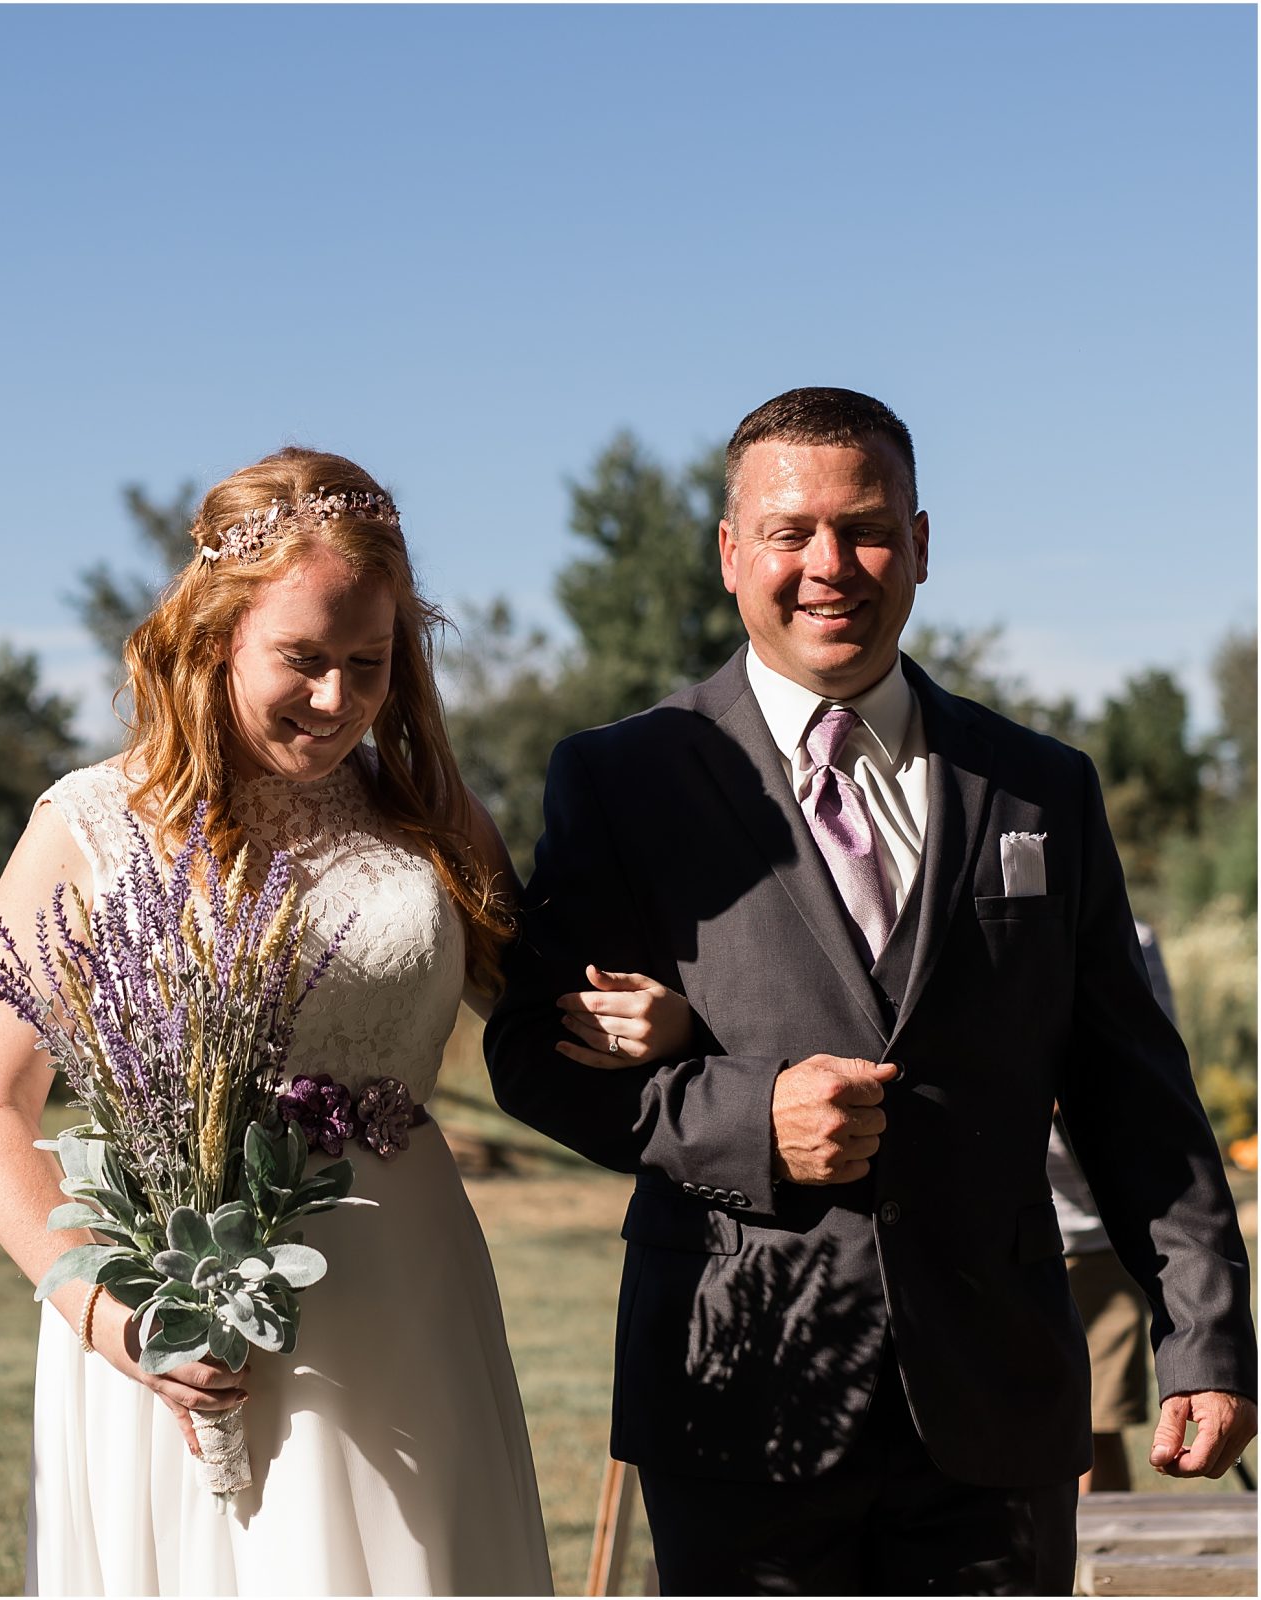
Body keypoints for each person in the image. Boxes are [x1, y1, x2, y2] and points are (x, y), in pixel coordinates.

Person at [485, 388, 1258, 1596]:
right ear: (732, 553)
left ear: (924, 544)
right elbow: (533, 1052)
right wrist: (755, 1119)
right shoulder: (623, 778)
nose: (830, 564)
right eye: (791, 532)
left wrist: (1205, 1334)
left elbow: (1130, 1087)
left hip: (996, 1402)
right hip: (740, 1397)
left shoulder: (1041, 786)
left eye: (868, 527)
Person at [0, 447, 689, 1597]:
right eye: (302, 659)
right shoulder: (91, 825)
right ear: (215, 636)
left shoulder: (434, 819)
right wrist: (111, 1318)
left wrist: (665, 1023)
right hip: (166, 1311)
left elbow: (550, 1016)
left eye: (369, 663)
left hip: (407, 1293)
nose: (338, 698)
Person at [1048, 918, 1175, 1493]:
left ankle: (1097, 1577)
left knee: (1093, 1433)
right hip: (987, 1227)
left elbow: (1149, 1070)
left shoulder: (1130, 935)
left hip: (1094, 1234)